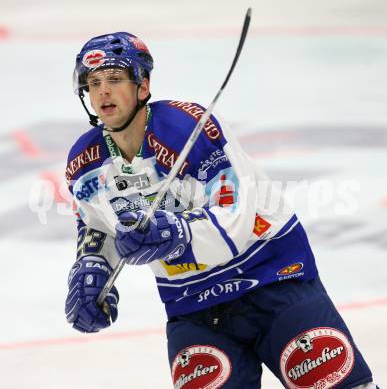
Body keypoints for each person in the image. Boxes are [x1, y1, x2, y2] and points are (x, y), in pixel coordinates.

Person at [64, 32, 378, 389]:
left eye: (115, 79)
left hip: (271, 277)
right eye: (94, 83)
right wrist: (93, 269)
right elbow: (96, 226)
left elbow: (237, 214)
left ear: (143, 86)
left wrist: (176, 233)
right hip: (191, 304)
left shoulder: (189, 128)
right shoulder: (84, 162)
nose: (102, 91)